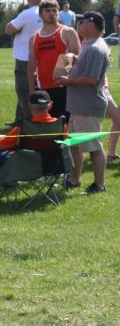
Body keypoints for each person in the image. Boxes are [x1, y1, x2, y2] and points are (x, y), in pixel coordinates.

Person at [57, 11, 110, 194]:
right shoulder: (90, 45)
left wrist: (67, 81)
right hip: (79, 105)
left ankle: (99, 185)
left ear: (90, 25)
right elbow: (86, 67)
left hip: (88, 106)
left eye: (82, 22)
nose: (78, 25)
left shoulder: (95, 48)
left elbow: (91, 79)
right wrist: (76, 59)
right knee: (75, 145)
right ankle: (74, 180)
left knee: (93, 147)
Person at [0, 91, 64, 192]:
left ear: (29, 106)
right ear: (50, 105)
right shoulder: (60, 125)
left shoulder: (22, 128)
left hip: (23, 167)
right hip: (52, 167)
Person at [27, 0, 81, 119]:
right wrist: (31, 90)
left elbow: (79, 60)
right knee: (46, 129)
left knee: (65, 127)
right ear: (40, 15)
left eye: (55, 11)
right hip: (43, 89)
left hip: (65, 87)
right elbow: (31, 66)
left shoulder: (68, 32)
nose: (52, 13)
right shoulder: (34, 38)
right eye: (47, 11)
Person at [6, 0, 44, 123]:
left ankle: (28, 123)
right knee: (36, 89)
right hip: (42, 59)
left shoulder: (27, 13)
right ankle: (20, 119)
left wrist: (17, 28)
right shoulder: (46, 12)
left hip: (24, 58)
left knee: (23, 91)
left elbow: (9, 29)